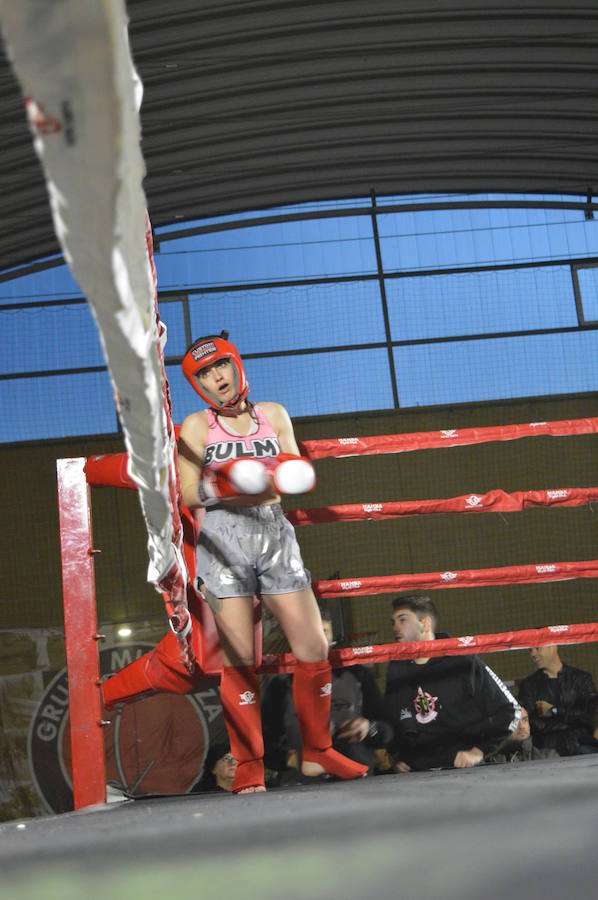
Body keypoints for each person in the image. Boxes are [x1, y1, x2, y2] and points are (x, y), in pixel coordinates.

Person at [177, 332, 368, 793]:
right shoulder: (196, 426)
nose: (216, 377)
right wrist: (228, 486)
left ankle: (317, 751)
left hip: (273, 534)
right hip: (224, 541)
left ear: (236, 365)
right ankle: (248, 766)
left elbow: (291, 477)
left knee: (313, 648)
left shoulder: (274, 415)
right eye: (204, 374)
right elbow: (184, 491)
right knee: (240, 660)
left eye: (220, 366)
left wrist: (261, 480)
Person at [384, 594, 521, 772]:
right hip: (417, 776)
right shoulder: (396, 668)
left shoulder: (462, 659)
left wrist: (478, 751)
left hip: (463, 772)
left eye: (402, 620)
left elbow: (509, 710)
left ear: (425, 624)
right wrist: (399, 757)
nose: (395, 627)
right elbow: (391, 722)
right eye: (393, 622)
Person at [262, 607, 393, 779]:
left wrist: (370, 727)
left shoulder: (356, 674)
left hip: (355, 775)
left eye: (324, 632)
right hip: (301, 784)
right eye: (313, 632)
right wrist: (289, 759)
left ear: (332, 635)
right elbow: (263, 743)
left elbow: (388, 729)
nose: (319, 639)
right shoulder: (281, 684)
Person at [517, 643, 598, 756]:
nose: (533, 654)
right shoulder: (528, 686)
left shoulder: (582, 679)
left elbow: (589, 716)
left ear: (553, 646)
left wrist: (554, 710)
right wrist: (573, 721)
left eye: (537, 648)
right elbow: (529, 723)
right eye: (530, 650)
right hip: (545, 752)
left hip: (581, 748)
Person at [485, 706, 559, 764]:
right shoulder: (485, 760)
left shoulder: (549, 757)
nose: (522, 726)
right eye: (514, 721)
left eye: (524, 720)